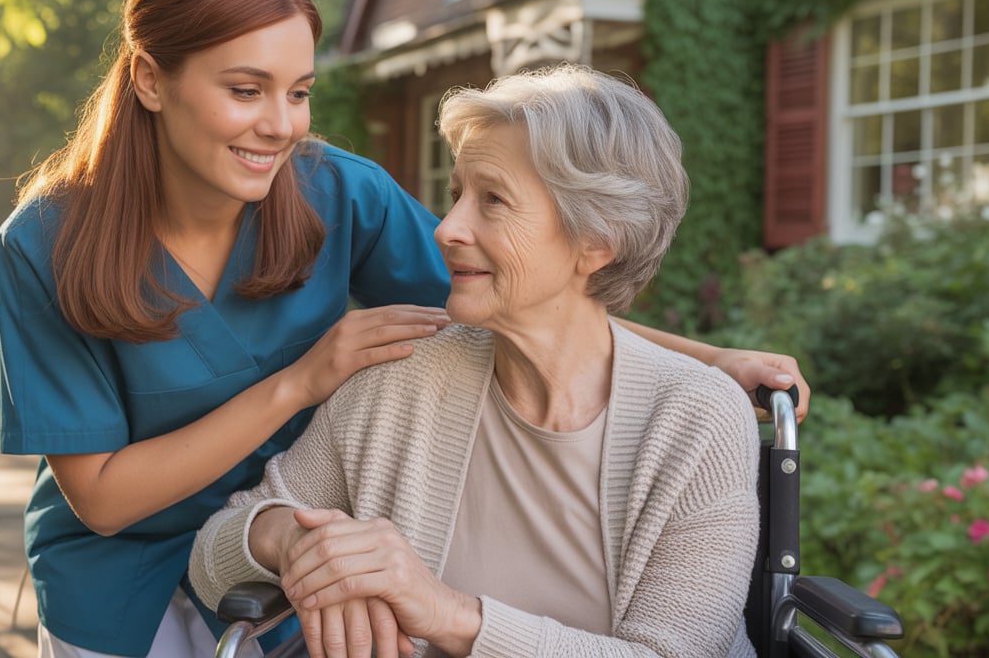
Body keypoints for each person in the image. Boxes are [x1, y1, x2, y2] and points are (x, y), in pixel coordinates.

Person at [0, 0, 800, 658]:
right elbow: (101, 499)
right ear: (150, 81)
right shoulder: (44, 245)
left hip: (292, 556)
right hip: (122, 569)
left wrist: (708, 364)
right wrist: (303, 386)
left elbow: (535, 296)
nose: (280, 126)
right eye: (247, 89)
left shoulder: (332, 191)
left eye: (300, 91)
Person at [189, 64, 762, 658]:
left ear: (596, 242)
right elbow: (213, 560)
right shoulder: (398, 377)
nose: (447, 229)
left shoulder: (698, 420)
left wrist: (448, 613)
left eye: (493, 200)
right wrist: (292, 541)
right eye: (457, 194)